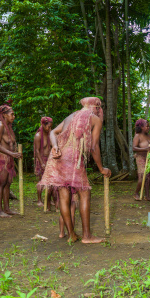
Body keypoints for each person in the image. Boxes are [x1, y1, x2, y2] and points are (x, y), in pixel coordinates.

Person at [37, 97, 111, 244]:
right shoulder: (95, 119)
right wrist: (102, 169)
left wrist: (55, 147)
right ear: (96, 108)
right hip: (73, 159)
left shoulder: (71, 116)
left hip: (57, 158)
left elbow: (53, 133)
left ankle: (71, 234)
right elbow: (94, 147)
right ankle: (87, 236)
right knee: (85, 194)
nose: (99, 111)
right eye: (99, 108)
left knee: (64, 197)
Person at [0, 105, 22, 217]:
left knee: (7, 184)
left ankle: (7, 208)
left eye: (14, 114)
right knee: (1, 183)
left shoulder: (8, 126)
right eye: (11, 114)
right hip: (2, 158)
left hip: (9, 158)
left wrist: (15, 152)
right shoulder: (0, 125)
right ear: (4, 115)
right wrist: (11, 153)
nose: (13, 116)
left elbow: (11, 143)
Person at [132, 119, 150, 201]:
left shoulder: (148, 136)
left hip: (148, 158)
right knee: (142, 177)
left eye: (148, 126)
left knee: (148, 177)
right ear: (141, 127)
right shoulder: (137, 136)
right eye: (147, 126)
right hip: (140, 158)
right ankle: (136, 193)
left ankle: (147, 196)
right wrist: (145, 149)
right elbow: (134, 148)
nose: (148, 127)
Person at [34, 117, 54, 207]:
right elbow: (37, 151)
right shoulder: (38, 136)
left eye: (50, 127)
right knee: (42, 181)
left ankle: (50, 200)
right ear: (43, 125)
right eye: (48, 127)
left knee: (52, 181)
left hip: (50, 159)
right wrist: (41, 163)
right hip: (41, 159)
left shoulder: (50, 134)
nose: (49, 129)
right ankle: (39, 200)